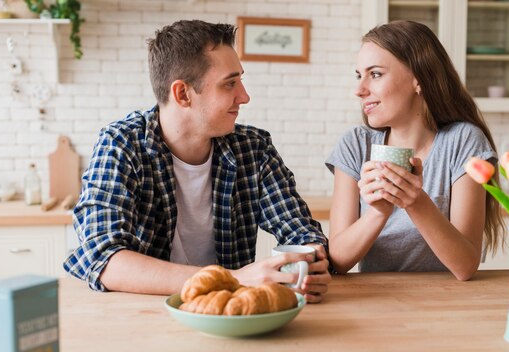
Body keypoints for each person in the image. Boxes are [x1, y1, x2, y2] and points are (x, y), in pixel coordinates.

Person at [63, 20, 331, 303]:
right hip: (145, 317)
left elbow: (301, 232)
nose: (244, 96)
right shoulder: (122, 145)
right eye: (229, 83)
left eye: (240, 80)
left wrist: (311, 261)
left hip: (227, 316)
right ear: (182, 94)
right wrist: (234, 278)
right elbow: (104, 259)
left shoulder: (253, 148)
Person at [325, 21, 503, 279]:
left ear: (418, 79)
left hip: (445, 302)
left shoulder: (463, 142)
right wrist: (378, 212)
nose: (359, 90)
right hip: (378, 301)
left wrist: (416, 202)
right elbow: (338, 260)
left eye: (375, 74)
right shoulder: (356, 144)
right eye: (358, 75)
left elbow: (465, 267)